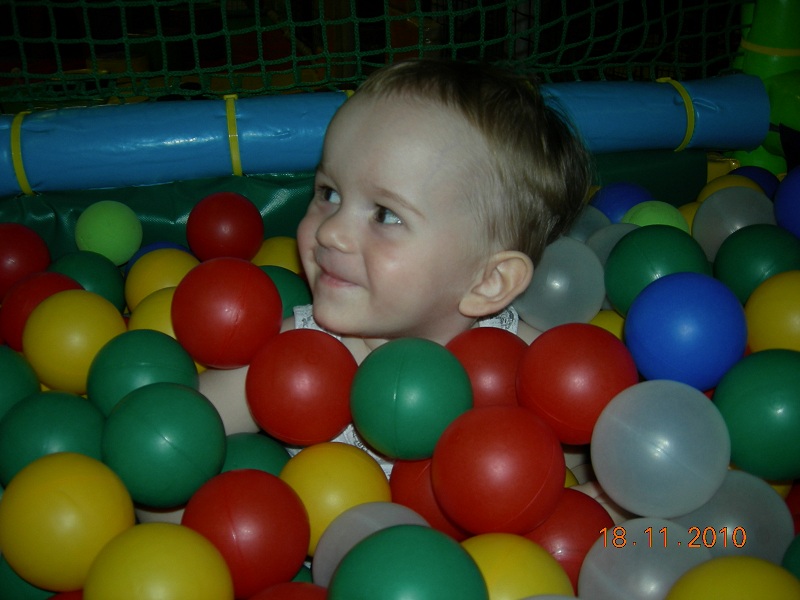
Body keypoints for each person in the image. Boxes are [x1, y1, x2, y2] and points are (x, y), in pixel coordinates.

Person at [200, 58, 592, 474]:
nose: (331, 232)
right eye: (329, 193)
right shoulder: (295, 355)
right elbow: (180, 434)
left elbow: (574, 464)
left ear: (488, 282)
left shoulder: (526, 371)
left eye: (385, 215)